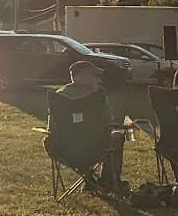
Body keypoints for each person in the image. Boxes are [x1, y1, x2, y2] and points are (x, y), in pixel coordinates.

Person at [48, 59, 125, 192]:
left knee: (48, 140)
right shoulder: (97, 97)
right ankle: (107, 182)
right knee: (117, 137)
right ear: (79, 77)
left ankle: (89, 179)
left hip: (63, 150)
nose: (98, 79)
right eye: (94, 76)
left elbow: (52, 128)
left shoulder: (59, 97)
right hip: (96, 147)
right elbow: (109, 124)